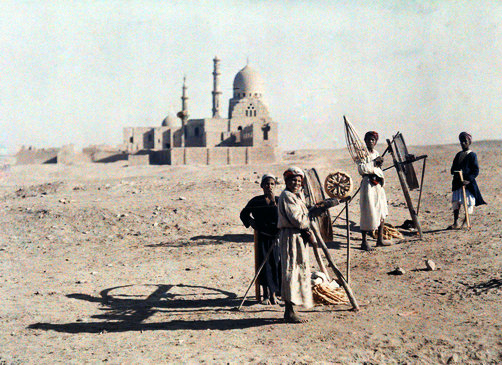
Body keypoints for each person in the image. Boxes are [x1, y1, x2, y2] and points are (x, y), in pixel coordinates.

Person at [277, 167, 315, 323]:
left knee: (299, 269)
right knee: (291, 270)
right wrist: (312, 215)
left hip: (298, 236)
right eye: (293, 180)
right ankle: (289, 311)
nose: (296, 183)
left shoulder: (296, 196)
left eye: (299, 181)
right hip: (291, 236)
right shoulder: (286, 196)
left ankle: (292, 309)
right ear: (287, 181)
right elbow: (298, 220)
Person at [240, 174, 281, 305]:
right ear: (262, 186)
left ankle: (274, 294)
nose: (269, 186)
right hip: (262, 237)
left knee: (276, 264)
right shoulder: (256, 201)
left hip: (277, 238)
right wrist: (251, 222)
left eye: (272, 184)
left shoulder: (280, 200)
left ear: (275, 186)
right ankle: (265, 296)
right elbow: (243, 213)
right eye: (266, 184)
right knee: (264, 265)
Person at [358, 131, 391, 251]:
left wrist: (379, 162)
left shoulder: (376, 153)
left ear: (375, 142)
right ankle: (364, 242)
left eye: (373, 140)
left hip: (377, 185)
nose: (370, 142)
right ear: (365, 141)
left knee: (381, 210)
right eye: (368, 140)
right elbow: (362, 169)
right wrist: (373, 162)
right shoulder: (362, 154)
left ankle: (379, 240)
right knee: (368, 211)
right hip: (368, 185)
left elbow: (377, 169)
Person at [448, 132, 486, 229]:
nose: (463, 143)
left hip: (468, 184)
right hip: (457, 183)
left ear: (469, 142)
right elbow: (453, 169)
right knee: (455, 202)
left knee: (468, 203)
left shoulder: (472, 155)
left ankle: (465, 221)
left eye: (465, 141)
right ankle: (456, 222)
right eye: (461, 141)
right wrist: (456, 173)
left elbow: (475, 170)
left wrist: (468, 180)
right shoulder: (458, 155)